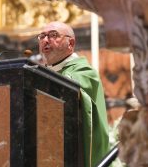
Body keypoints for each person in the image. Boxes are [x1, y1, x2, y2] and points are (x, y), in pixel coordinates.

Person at [38, 21, 109, 167]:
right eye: (42, 36)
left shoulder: (84, 71)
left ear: (70, 43)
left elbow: (69, 91)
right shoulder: (41, 74)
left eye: (53, 35)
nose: (45, 40)